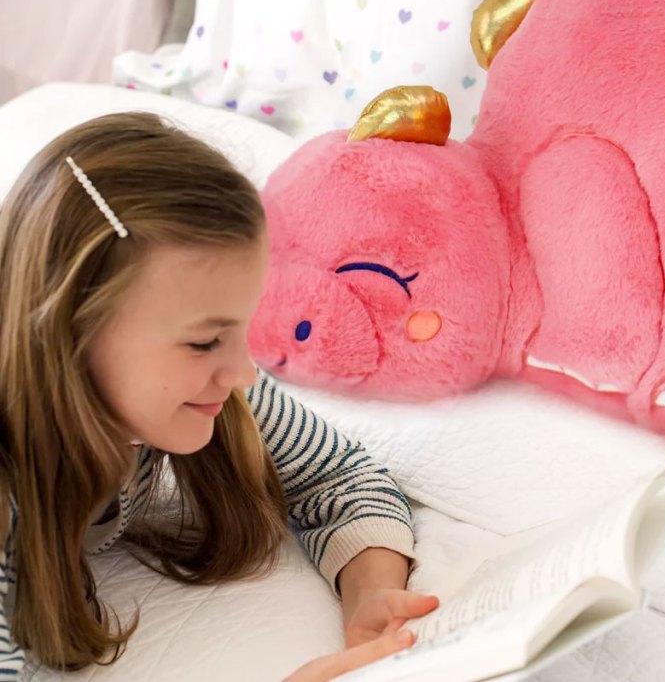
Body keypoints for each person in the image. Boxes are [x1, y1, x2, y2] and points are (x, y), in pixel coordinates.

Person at [0, 112, 438, 679]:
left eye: (244, 328)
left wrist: (371, 594)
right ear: (70, 333)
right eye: (205, 342)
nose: (244, 373)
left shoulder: (191, 387)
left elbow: (339, 475)